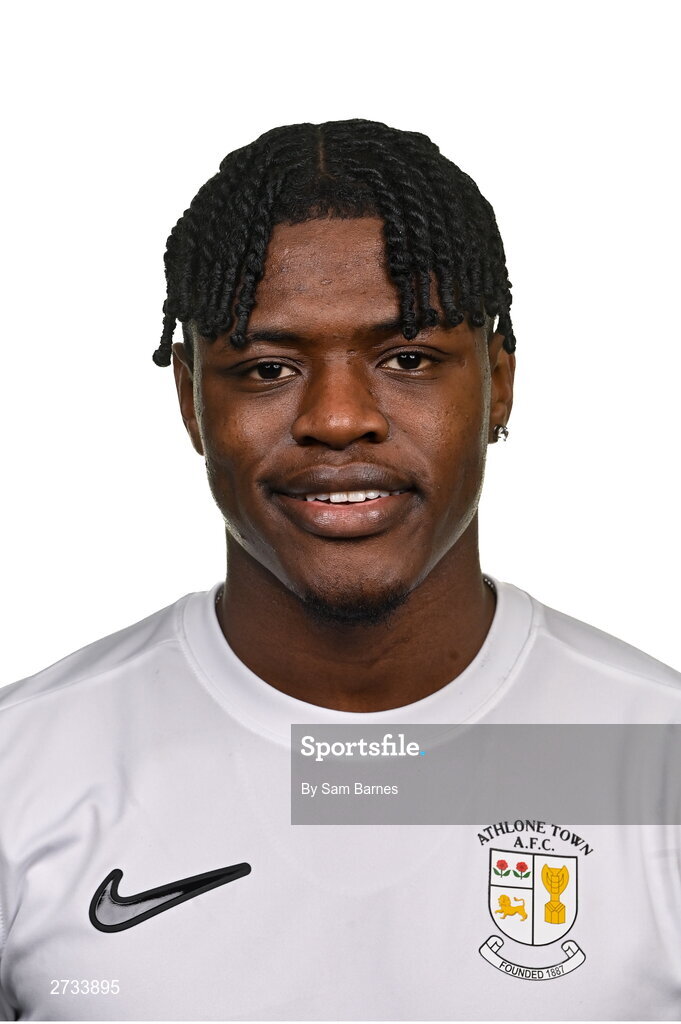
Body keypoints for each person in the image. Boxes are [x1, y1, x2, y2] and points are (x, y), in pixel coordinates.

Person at [0, 119, 679, 1022]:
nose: (337, 418)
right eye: (268, 367)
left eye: (407, 359)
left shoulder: (654, 761)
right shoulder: (26, 769)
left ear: (497, 381)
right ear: (191, 400)